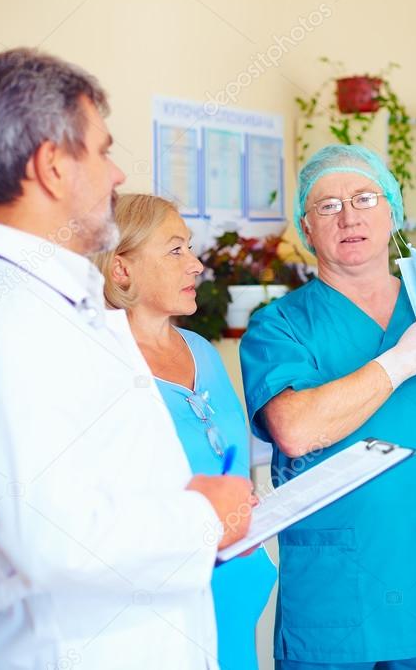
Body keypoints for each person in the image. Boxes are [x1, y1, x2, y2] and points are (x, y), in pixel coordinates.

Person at [0, 49, 253, 668]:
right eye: (102, 150)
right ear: (53, 166)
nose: (117, 175)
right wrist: (204, 516)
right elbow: (53, 537)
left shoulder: (50, 304)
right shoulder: (5, 319)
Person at [239, 144, 416, 669]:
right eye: (328, 206)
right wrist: (400, 361)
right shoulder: (281, 326)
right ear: (307, 227)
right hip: (333, 604)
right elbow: (295, 429)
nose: (348, 216)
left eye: (364, 198)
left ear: (393, 211)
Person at [93, 193, 278, 669]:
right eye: (175, 250)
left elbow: (226, 465)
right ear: (121, 269)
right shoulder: (98, 365)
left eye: (190, 249)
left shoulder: (202, 351)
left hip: (237, 609)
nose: (196, 265)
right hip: (160, 624)